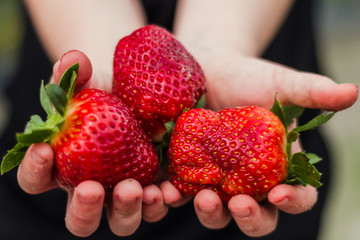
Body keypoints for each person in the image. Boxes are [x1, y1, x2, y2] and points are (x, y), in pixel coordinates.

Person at [0, 0, 358, 239]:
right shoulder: (89, 113)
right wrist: (97, 46)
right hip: (73, 188)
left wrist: (215, 47)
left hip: (249, 38)